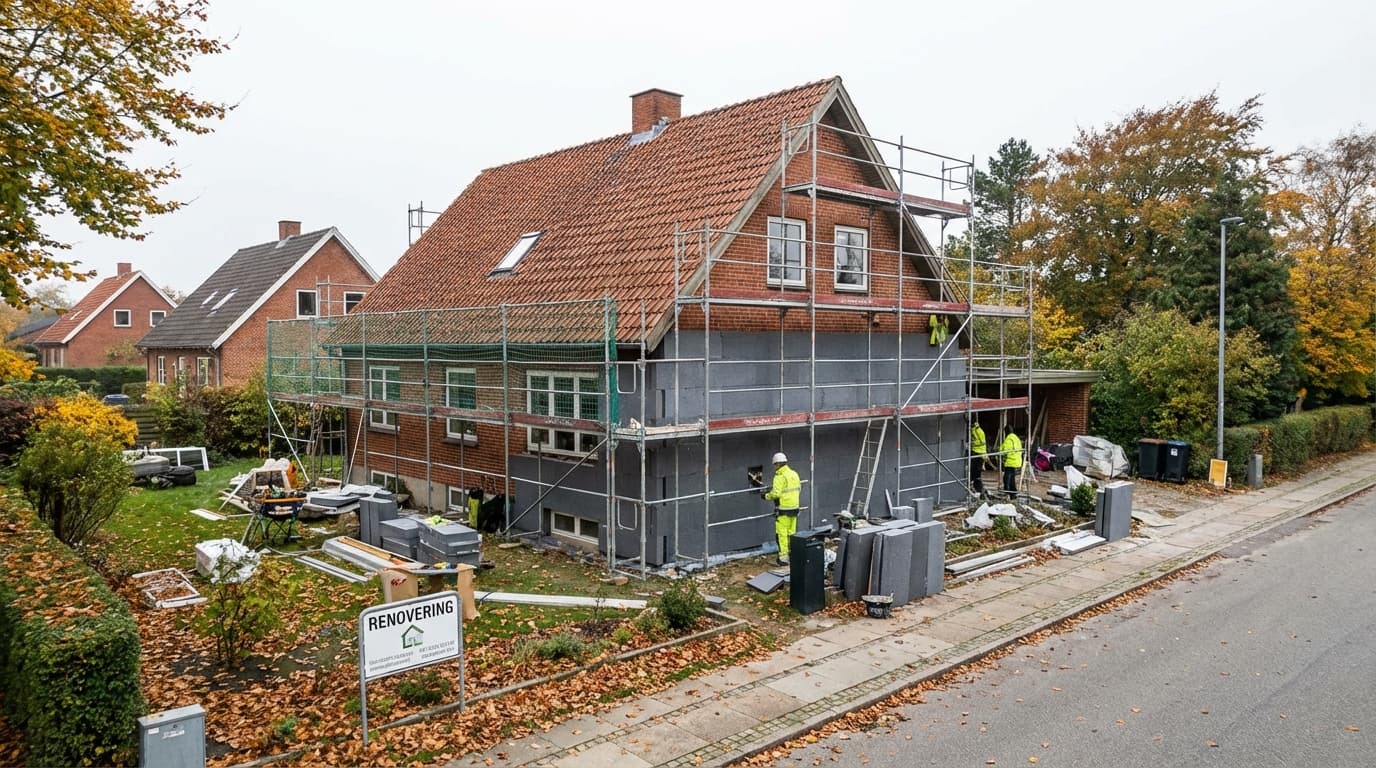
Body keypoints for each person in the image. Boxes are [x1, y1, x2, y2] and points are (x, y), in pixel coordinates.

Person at [763, 451, 801, 564]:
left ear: (777, 464)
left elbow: (776, 493)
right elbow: (799, 488)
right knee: (791, 532)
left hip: (784, 509)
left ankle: (783, 558)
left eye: (774, 465)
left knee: (781, 534)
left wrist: (765, 496)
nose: (774, 467)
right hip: (795, 508)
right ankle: (792, 554)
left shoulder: (779, 476)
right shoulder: (794, 473)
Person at [999, 429, 1023, 497]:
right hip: (1017, 460)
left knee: (1007, 477)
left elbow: (1005, 450)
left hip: (1011, 461)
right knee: (1012, 477)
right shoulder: (1016, 438)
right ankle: (1013, 493)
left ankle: (1007, 491)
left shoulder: (1008, 439)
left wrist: (1000, 451)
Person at [970, 420, 987, 499]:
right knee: (976, 475)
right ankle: (980, 491)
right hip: (981, 454)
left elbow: (976, 442)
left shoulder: (974, 431)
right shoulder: (979, 430)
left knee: (974, 474)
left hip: (977, 454)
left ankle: (979, 491)